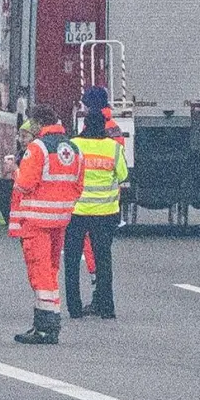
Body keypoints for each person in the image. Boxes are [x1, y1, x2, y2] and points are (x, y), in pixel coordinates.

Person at [7, 105, 83, 344]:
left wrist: (15, 173)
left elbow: (25, 184)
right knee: (51, 271)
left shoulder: (37, 148)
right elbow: (79, 185)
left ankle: (46, 326)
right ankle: (44, 324)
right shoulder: (73, 148)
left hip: (37, 221)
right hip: (61, 219)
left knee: (40, 275)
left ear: (39, 123)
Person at [65, 111, 128, 319]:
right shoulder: (114, 148)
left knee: (72, 260)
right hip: (105, 212)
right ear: (104, 126)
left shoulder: (74, 145)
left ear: (84, 124)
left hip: (77, 212)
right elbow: (123, 175)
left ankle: (74, 308)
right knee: (103, 260)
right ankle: (106, 308)